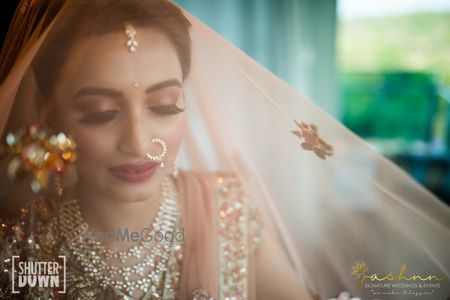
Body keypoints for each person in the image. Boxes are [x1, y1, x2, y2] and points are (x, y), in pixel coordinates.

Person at [0, 1, 449, 300]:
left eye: (163, 106)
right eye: (100, 112)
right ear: (51, 115)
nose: (138, 143)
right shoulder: (19, 248)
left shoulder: (228, 208)